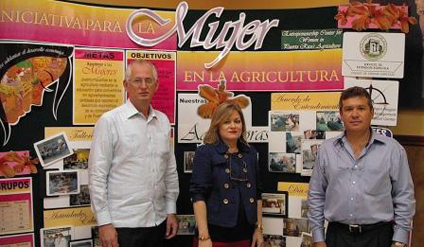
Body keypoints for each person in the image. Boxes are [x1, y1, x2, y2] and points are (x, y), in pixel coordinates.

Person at [308, 86, 415, 247]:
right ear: (341, 114)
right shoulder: (326, 150)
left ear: (371, 112)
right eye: (349, 109)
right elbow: (316, 195)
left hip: (379, 237)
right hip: (337, 236)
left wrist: (399, 240)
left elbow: (404, 196)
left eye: (361, 108)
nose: (355, 114)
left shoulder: (393, 150)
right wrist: (318, 238)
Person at [88, 59, 179, 247]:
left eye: (149, 80)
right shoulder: (109, 121)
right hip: (124, 225)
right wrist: (104, 223)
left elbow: (169, 170)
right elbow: (97, 175)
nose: (143, 86)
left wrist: (171, 210)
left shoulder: (163, 122)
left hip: (158, 221)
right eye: (137, 80)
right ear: (126, 85)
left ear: (156, 85)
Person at [189, 102, 264, 247]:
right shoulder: (205, 152)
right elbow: (198, 195)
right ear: (217, 125)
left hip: (246, 233)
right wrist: (204, 237)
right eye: (226, 122)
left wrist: (258, 229)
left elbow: (257, 194)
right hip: (215, 235)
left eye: (237, 121)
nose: (233, 126)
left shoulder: (250, 153)